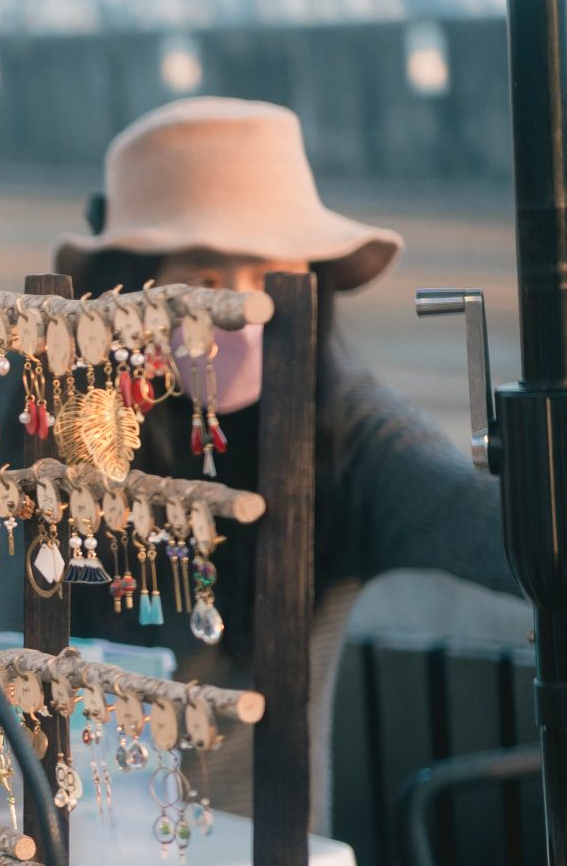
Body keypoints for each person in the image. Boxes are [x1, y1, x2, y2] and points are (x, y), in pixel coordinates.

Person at [52, 96, 515, 815]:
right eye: (204, 278)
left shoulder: (346, 431)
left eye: (270, 275)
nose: (242, 306)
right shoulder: (32, 415)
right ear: (129, 283)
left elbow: (503, 532)